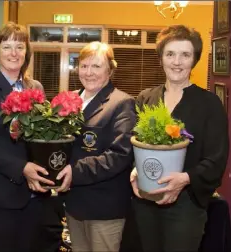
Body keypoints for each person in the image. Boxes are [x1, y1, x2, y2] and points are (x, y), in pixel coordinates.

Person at [0, 22, 70, 252]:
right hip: (0, 195)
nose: (14, 53)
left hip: (35, 195)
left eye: (20, 47)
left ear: (26, 52)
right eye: (7, 46)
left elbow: (43, 136)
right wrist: (22, 168)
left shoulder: (36, 88)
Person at [130, 24, 229, 252]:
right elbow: (134, 145)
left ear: (194, 60)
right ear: (161, 58)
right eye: (170, 54)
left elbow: (217, 158)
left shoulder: (210, 104)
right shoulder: (146, 98)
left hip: (186, 205)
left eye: (185, 55)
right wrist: (136, 169)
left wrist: (184, 179)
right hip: (146, 201)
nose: (177, 62)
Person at [62, 41, 137, 252]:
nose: (89, 72)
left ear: (110, 70)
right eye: (84, 66)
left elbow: (119, 155)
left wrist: (73, 172)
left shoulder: (122, 103)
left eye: (96, 66)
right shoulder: (72, 100)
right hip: (74, 204)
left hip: (104, 208)